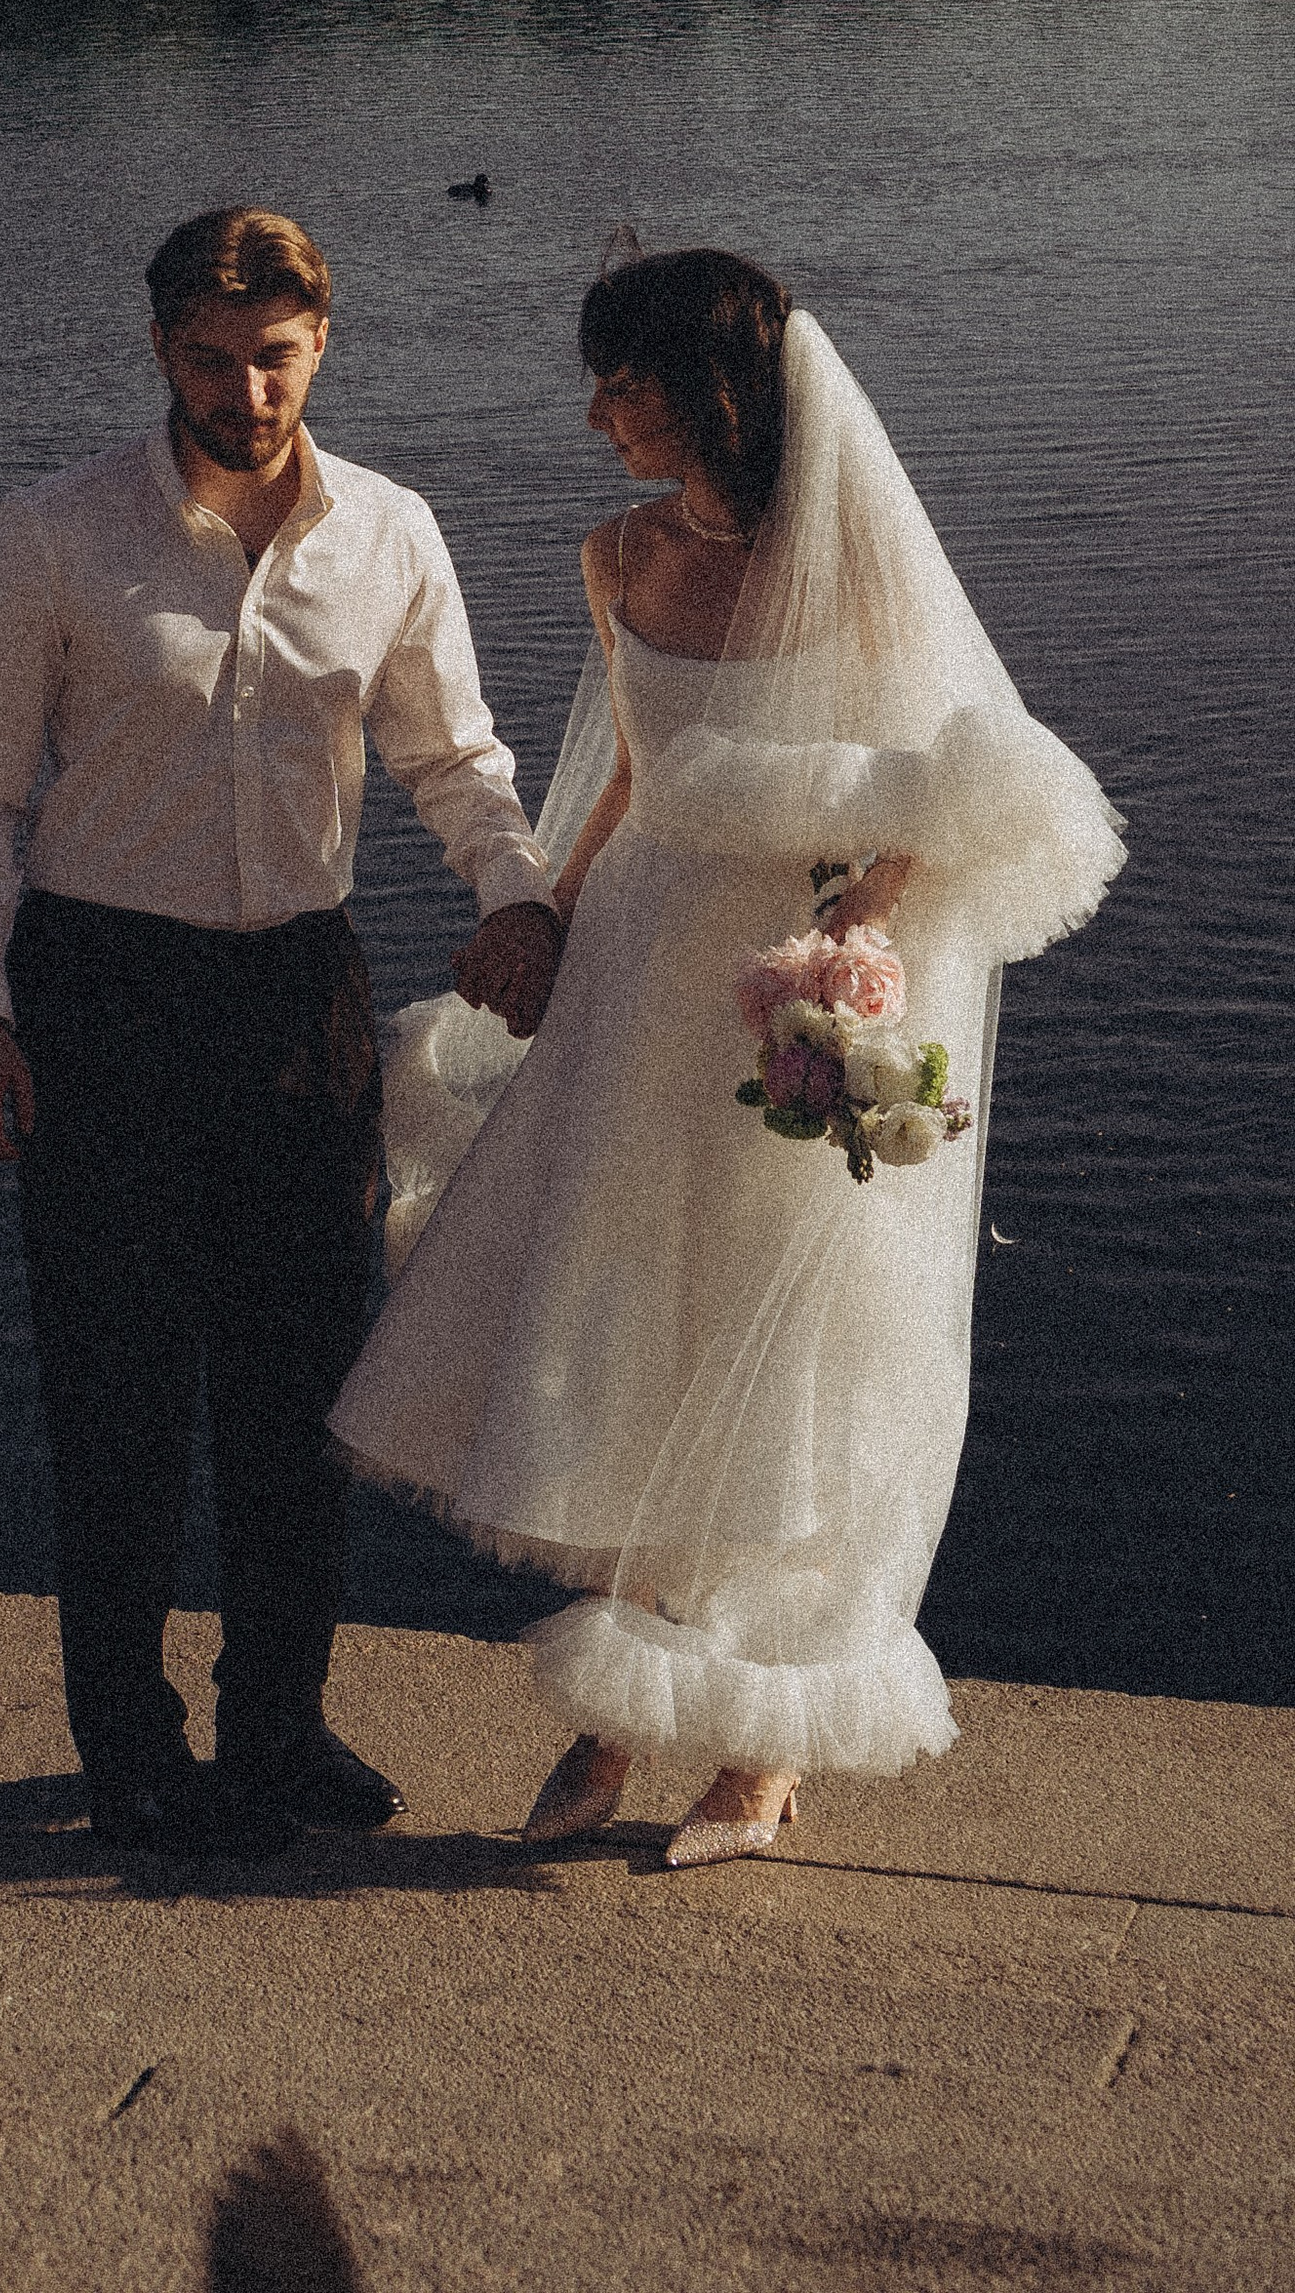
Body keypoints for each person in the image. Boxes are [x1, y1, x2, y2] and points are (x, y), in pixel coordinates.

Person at [331, 247, 1125, 1866]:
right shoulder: (613, 554)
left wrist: (855, 939)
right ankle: (628, 1698)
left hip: (786, 983)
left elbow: (929, 781)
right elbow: (635, 770)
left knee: (796, 1341)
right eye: (599, 381)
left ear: (723, 394)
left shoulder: (852, 566)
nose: (602, 412)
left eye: (631, 382)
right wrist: (545, 910)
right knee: (629, 1310)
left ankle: (764, 1750)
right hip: (643, 969)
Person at [0, 206, 564, 1858]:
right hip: (102, 1004)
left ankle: (277, 1730)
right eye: (208, 358)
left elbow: (455, 759)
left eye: (271, 355)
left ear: (320, 345)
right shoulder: (58, 532)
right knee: (119, 1403)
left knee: (302, 1405)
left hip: (301, 1005)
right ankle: (126, 1742)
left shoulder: (394, 535)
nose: (243, 389)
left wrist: (516, 896)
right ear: (160, 353)